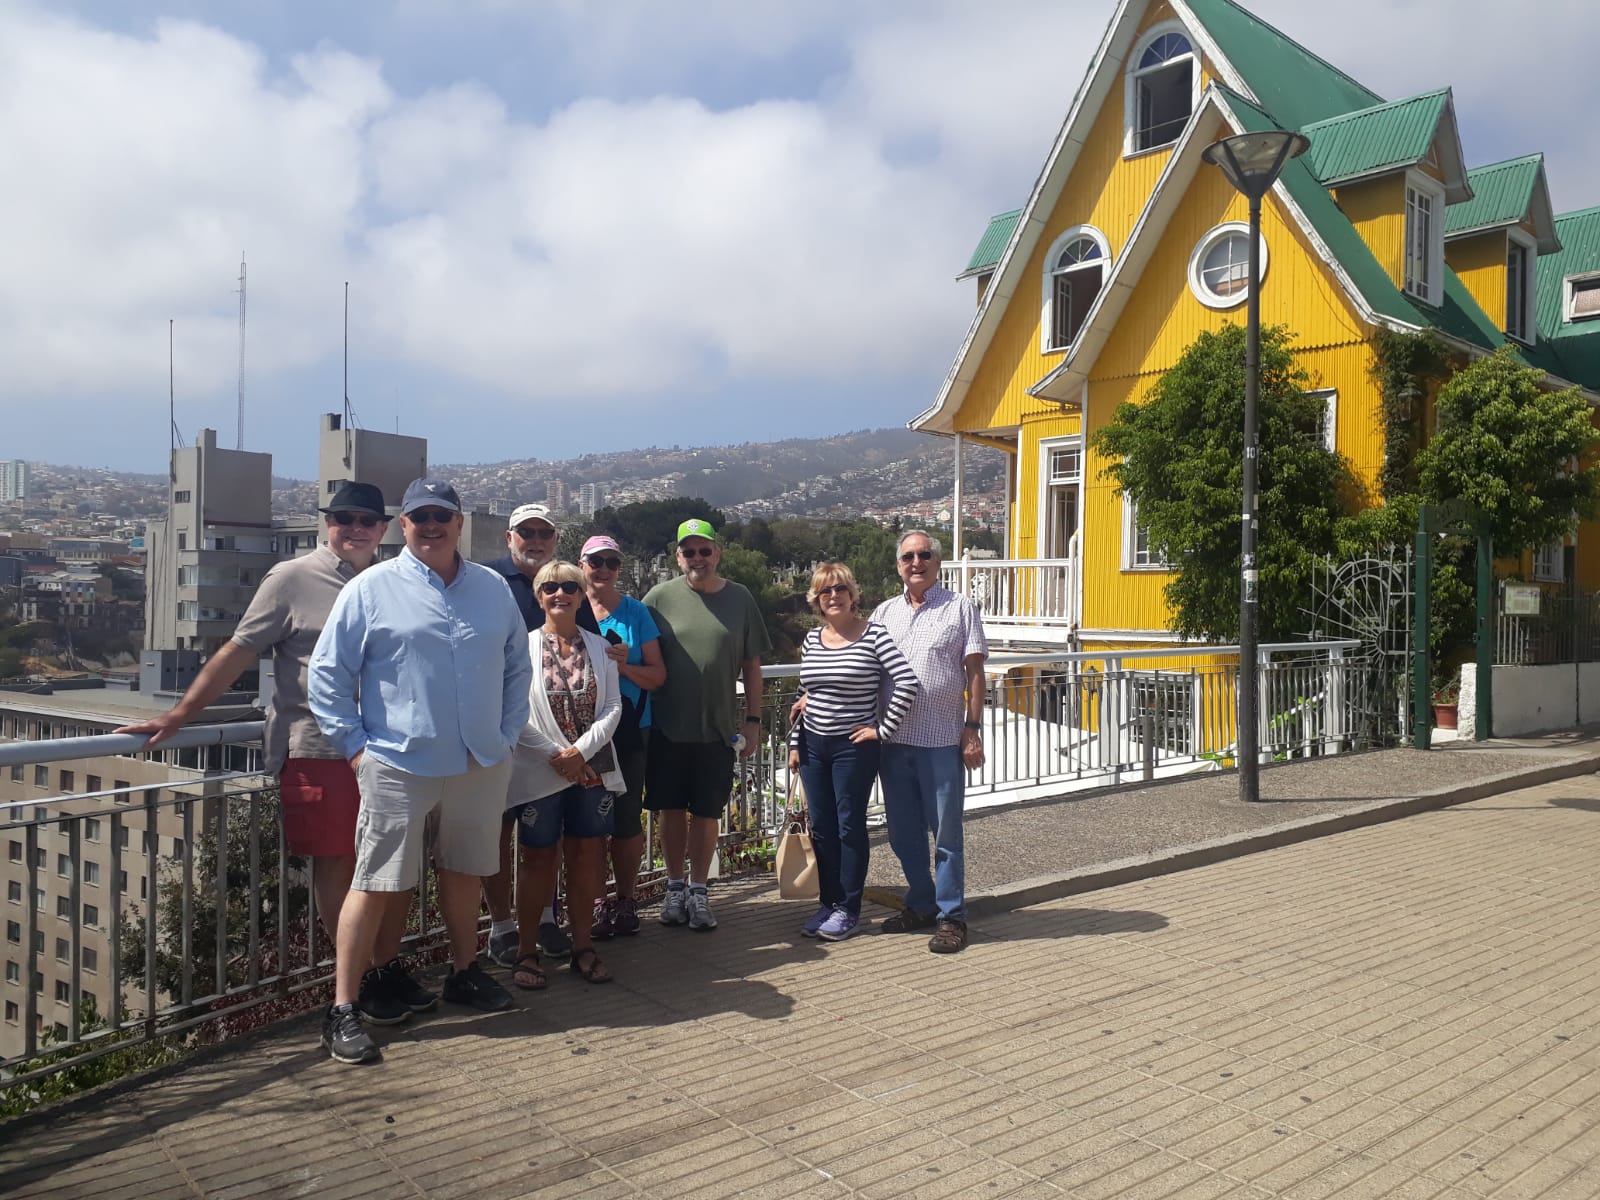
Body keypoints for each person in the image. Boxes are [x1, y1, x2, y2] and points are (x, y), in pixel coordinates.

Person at [115, 482, 431, 1026]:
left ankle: (387, 966)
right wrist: (179, 715)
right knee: (338, 863)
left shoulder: (394, 581)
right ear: (326, 524)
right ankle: (359, 983)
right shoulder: (291, 578)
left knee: (392, 868)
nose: (354, 529)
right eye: (342, 518)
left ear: (382, 529)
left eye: (366, 521)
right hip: (316, 746)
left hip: (388, 750)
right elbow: (239, 649)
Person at [308, 478, 531, 1064]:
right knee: (376, 882)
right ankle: (342, 1009)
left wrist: (505, 738)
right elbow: (327, 676)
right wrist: (357, 749)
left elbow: (516, 669)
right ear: (402, 526)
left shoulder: (491, 589)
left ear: (460, 523)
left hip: (480, 759)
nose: (431, 524)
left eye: (442, 515)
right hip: (397, 760)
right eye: (419, 516)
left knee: (464, 871)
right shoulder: (371, 588)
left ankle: (463, 972)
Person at [480, 502, 598, 967]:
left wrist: (617, 653)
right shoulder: (485, 581)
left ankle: (545, 919)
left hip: (549, 745)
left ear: (554, 539)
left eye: (542, 532)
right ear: (509, 537)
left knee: (540, 839)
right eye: (524, 531)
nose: (533, 539)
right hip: (493, 731)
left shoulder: (568, 585)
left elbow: (592, 648)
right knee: (497, 834)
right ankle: (502, 926)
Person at [643, 518, 771, 931]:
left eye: (704, 550)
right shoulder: (657, 599)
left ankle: (699, 889)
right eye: (689, 551)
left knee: (707, 812)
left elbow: (752, 667)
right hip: (666, 726)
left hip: (717, 729)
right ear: (678, 556)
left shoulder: (741, 598)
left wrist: (753, 721)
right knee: (670, 811)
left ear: (717, 552)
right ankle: (674, 886)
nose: (697, 558)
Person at [504, 561, 625, 989]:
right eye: (550, 587)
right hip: (539, 769)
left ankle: (583, 946)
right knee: (536, 859)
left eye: (569, 586)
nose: (560, 594)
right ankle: (527, 951)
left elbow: (613, 706)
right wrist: (556, 753)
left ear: (579, 594)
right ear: (538, 596)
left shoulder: (600, 647)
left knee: (585, 856)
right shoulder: (521, 647)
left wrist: (581, 751)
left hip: (589, 769)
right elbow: (512, 710)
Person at [786, 563, 919, 942]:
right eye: (825, 591)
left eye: (840, 589)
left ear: (853, 595)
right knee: (823, 828)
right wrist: (795, 745)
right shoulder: (813, 639)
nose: (833, 596)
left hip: (853, 749)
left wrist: (882, 730)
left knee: (848, 826)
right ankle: (828, 904)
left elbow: (906, 682)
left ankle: (849, 908)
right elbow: (802, 695)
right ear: (816, 599)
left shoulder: (874, 636)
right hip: (813, 745)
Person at [870, 530, 988, 954]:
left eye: (924, 555)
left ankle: (952, 916)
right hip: (893, 741)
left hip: (941, 740)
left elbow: (975, 673)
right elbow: (865, 669)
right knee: (903, 834)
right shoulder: (884, 613)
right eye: (907, 557)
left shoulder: (959, 608)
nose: (915, 562)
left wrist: (971, 728)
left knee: (947, 835)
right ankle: (920, 904)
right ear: (899, 564)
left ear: (937, 562)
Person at [579, 535, 665, 939]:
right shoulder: (568, 606)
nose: (604, 569)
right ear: (582, 564)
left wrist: (624, 666)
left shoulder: (636, 613)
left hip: (630, 732)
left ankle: (626, 899)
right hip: (580, 734)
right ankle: (595, 903)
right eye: (596, 561)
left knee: (628, 819)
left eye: (612, 562)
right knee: (588, 823)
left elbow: (658, 674)